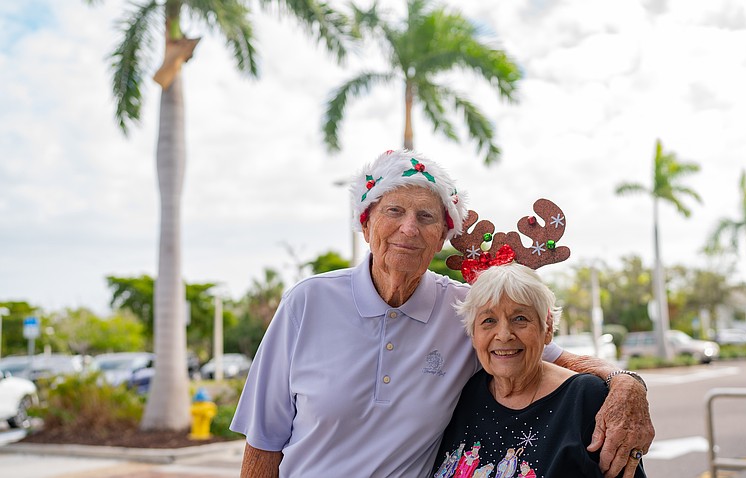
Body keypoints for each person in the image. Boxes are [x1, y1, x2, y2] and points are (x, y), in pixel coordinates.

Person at [230, 150, 653, 477]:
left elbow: (559, 359)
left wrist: (626, 386)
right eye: (394, 211)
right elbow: (264, 442)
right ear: (366, 224)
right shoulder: (307, 303)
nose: (409, 228)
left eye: (426, 217)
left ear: (441, 238)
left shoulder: (469, 313)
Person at [432, 261, 647, 477]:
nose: (504, 334)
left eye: (520, 319)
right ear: (473, 335)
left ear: (547, 329)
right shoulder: (463, 393)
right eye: (489, 320)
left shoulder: (585, 399)